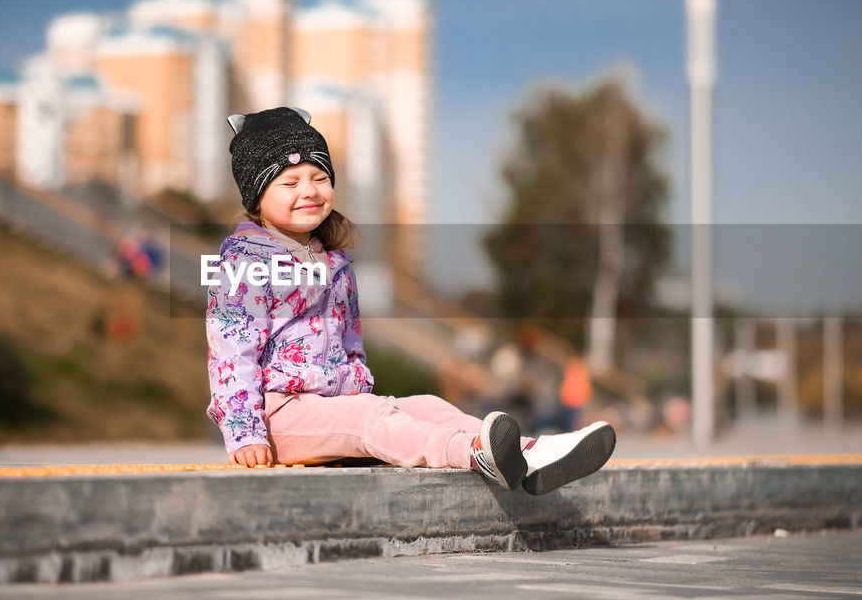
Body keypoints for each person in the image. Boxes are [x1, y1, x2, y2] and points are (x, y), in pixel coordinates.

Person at [205, 106, 616, 494]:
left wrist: (359, 389)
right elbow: (231, 357)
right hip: (278, 416)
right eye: (290, 183)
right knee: (370, 419)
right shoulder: (244, 264)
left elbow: (350, 348)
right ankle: (473, 454)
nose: (309, 191)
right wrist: (245, 433)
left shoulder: (335, 264)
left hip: (332, 408)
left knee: (427, 405)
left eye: (319, 177)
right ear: (257, 198)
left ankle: (529, 453)